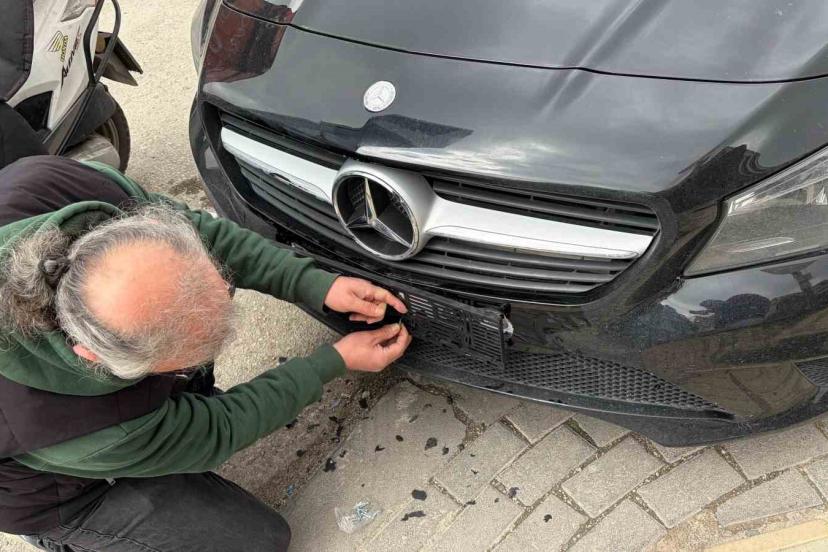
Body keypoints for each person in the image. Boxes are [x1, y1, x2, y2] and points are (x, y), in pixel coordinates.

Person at [0, 154, 412, 552]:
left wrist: (311, 283)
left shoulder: (61, 187)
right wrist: (333, 362)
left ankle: (163, 422)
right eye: (181, 360)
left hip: (113, 401)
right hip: (49, 491)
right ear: (94, 356)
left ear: (142, 231)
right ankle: (72, 536)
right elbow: (217, 428)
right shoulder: (71, 428)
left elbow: (203, 235)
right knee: (254, 542)